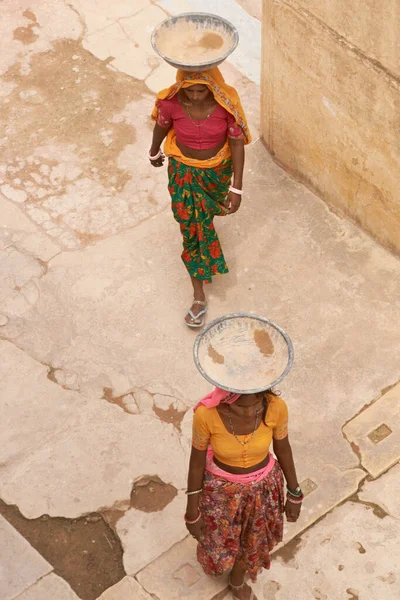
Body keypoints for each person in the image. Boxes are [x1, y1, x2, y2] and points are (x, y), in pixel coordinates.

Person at [149, 68, 251, 328]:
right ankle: (198, 297)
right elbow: (161, 127)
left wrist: (236, 188)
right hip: (183, 172)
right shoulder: (171, 103)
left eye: (200, 90)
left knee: (204, 217)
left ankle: (203, 227)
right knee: (191, 228)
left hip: (216, 173)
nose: (194, 97)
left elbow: (237, 144)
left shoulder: (225, 105)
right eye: (189, 90)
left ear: (212, 88)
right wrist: (153, 153)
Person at [185, 386, 302, 600]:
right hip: (221, 494)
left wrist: (295, 492)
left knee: (254, 539)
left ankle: (237, 579)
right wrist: (192, 511)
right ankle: (225, 566)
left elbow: (283, 448)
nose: (250, 413)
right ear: (229, 396)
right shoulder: (206, 415)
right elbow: (196, 462)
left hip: (264, 490)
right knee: (218, 539)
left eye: (256, 404)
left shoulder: (276, 407)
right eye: (240, 406)